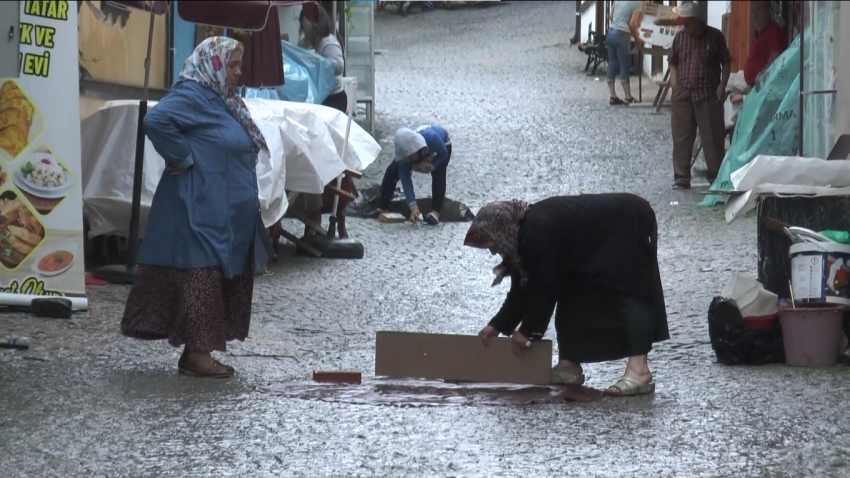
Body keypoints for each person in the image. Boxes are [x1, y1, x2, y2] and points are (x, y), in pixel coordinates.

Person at [120, 37, 274, 378]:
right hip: (197, 207)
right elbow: (156, 121)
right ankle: (198, 358)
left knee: (212, 277)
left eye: (238, 65)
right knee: (200, 277)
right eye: (231, 65)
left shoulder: (223, 100)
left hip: (221, 212)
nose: (237, 72)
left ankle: (196, 353)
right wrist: (181, 157)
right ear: (212, 63)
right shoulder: (192, 94)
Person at [466, 193, 670, 397]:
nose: (493, 252)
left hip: (625, 220)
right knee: (572, 290)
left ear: (502, 231)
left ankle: (639, 370)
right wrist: (497, 325)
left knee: (630, 290)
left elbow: (545, 288)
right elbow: (523, 287)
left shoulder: (535, 233)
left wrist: (528, 331)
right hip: (605, 229)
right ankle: (569, 363)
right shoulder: (524, 235)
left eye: (492, 243)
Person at [669, 1, 731, 190]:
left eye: (688, 22)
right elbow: (673, 62)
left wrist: (722, 85)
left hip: (707, 93)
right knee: (681, 138)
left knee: (712, 137)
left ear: (697, 20)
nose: (685, 25)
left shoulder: (715, 36)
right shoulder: (680, 38)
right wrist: (674, 86)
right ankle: (681, 177)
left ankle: (715, 176)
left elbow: (726, 63)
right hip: (684, 94)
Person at [379, 125, 452, 225]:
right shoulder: (404, 153)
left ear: (414, 150)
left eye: (409, 158)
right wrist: (413, 207)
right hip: (417, 151)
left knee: (439, 174)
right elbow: (406, 180)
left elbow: (443, 153)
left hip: (442, 146)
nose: (408, 161)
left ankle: (435, 212)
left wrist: (433, 166)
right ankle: (383, 207)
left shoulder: (432, 139)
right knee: (391, 172)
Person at [300, 2, 347, 113]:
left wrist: (317, 60)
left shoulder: (328, 42)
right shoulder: (303, 42)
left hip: (333, 97)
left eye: (307, 21)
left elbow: (339, 66)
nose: (304, 25)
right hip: (315, 96)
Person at [606, 1, 643, 105]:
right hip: (622, 34)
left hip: (611, 32)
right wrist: (637, 38)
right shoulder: (637, 3)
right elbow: (632, 24)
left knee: (612, 64)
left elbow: (610, 16)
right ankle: (628, 96)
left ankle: (612, 96)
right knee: (624, 65)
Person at [743, 2, 787, 88]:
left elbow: (776, 59)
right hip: (756, 86)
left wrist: (763, 75)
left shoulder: (773, 31)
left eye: (758, 10)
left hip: (765, 87)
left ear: (768, 10)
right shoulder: (761, 33)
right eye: (752, 11)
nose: (754, 15)